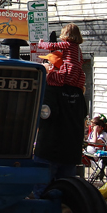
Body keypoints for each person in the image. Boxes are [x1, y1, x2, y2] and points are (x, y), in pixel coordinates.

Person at [33, 24, 88, 193]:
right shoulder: (79, 91)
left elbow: (46, 114)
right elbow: (82, 114)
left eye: (48, 64)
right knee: (66, 192)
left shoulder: (51, 88)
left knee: (43, 191)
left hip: (50, 150)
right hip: (71, 151)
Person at [38, 24, 86, 90]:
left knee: (53, 78)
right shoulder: (78, 48)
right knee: (72, 88)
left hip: (69, 71)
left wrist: (41, 44)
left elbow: (53, 46)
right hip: (78, 74)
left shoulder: (68, 44)